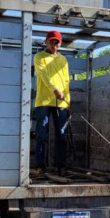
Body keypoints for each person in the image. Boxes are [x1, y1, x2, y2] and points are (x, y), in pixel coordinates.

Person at [33, 30, 70, 177]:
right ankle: (40, 166)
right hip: (43, 101)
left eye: (57, 42)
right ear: (46, 42)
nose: (54, 45)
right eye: (51, 42)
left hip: (61, 102)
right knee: (42, 134)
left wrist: (68, 101)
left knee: (61, 134)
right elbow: (43, 75)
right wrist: (54, 90)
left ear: (60, 43)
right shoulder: (39, 57)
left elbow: (66, 81)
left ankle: (60, 165)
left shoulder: (63, 60)